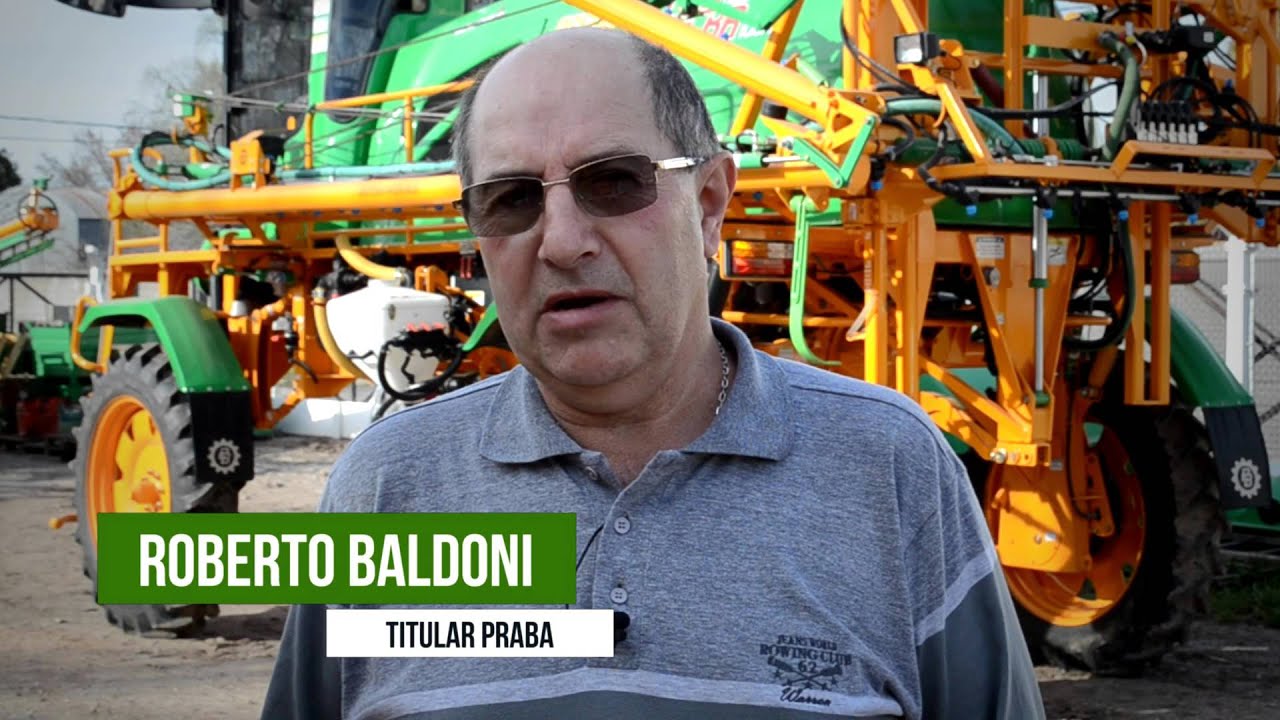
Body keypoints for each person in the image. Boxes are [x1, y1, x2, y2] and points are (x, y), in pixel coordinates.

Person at [261, 27, 1045, 720]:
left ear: (709, 204)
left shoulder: (889, 471)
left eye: (613, 182)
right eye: (512, 199)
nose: (562, 241)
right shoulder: (386, 490)